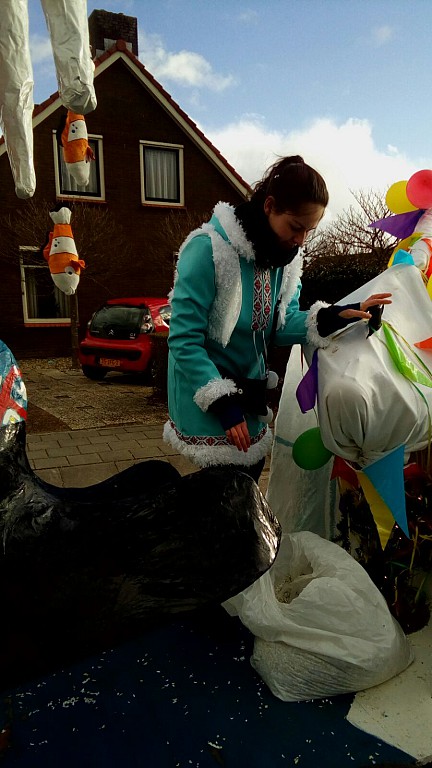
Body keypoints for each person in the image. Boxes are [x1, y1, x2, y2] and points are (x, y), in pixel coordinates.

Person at [163, 155, 391, 482]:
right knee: (222, 497)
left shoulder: (286, 262)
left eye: (309, 231)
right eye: (296, 227)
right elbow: (184, 339)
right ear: (269, 205)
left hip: (250, 398)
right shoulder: (207, 250)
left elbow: (280, 326)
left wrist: (335, 316)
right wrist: (222, 402)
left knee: (247, 487)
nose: (301, 241)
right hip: (210, 400)